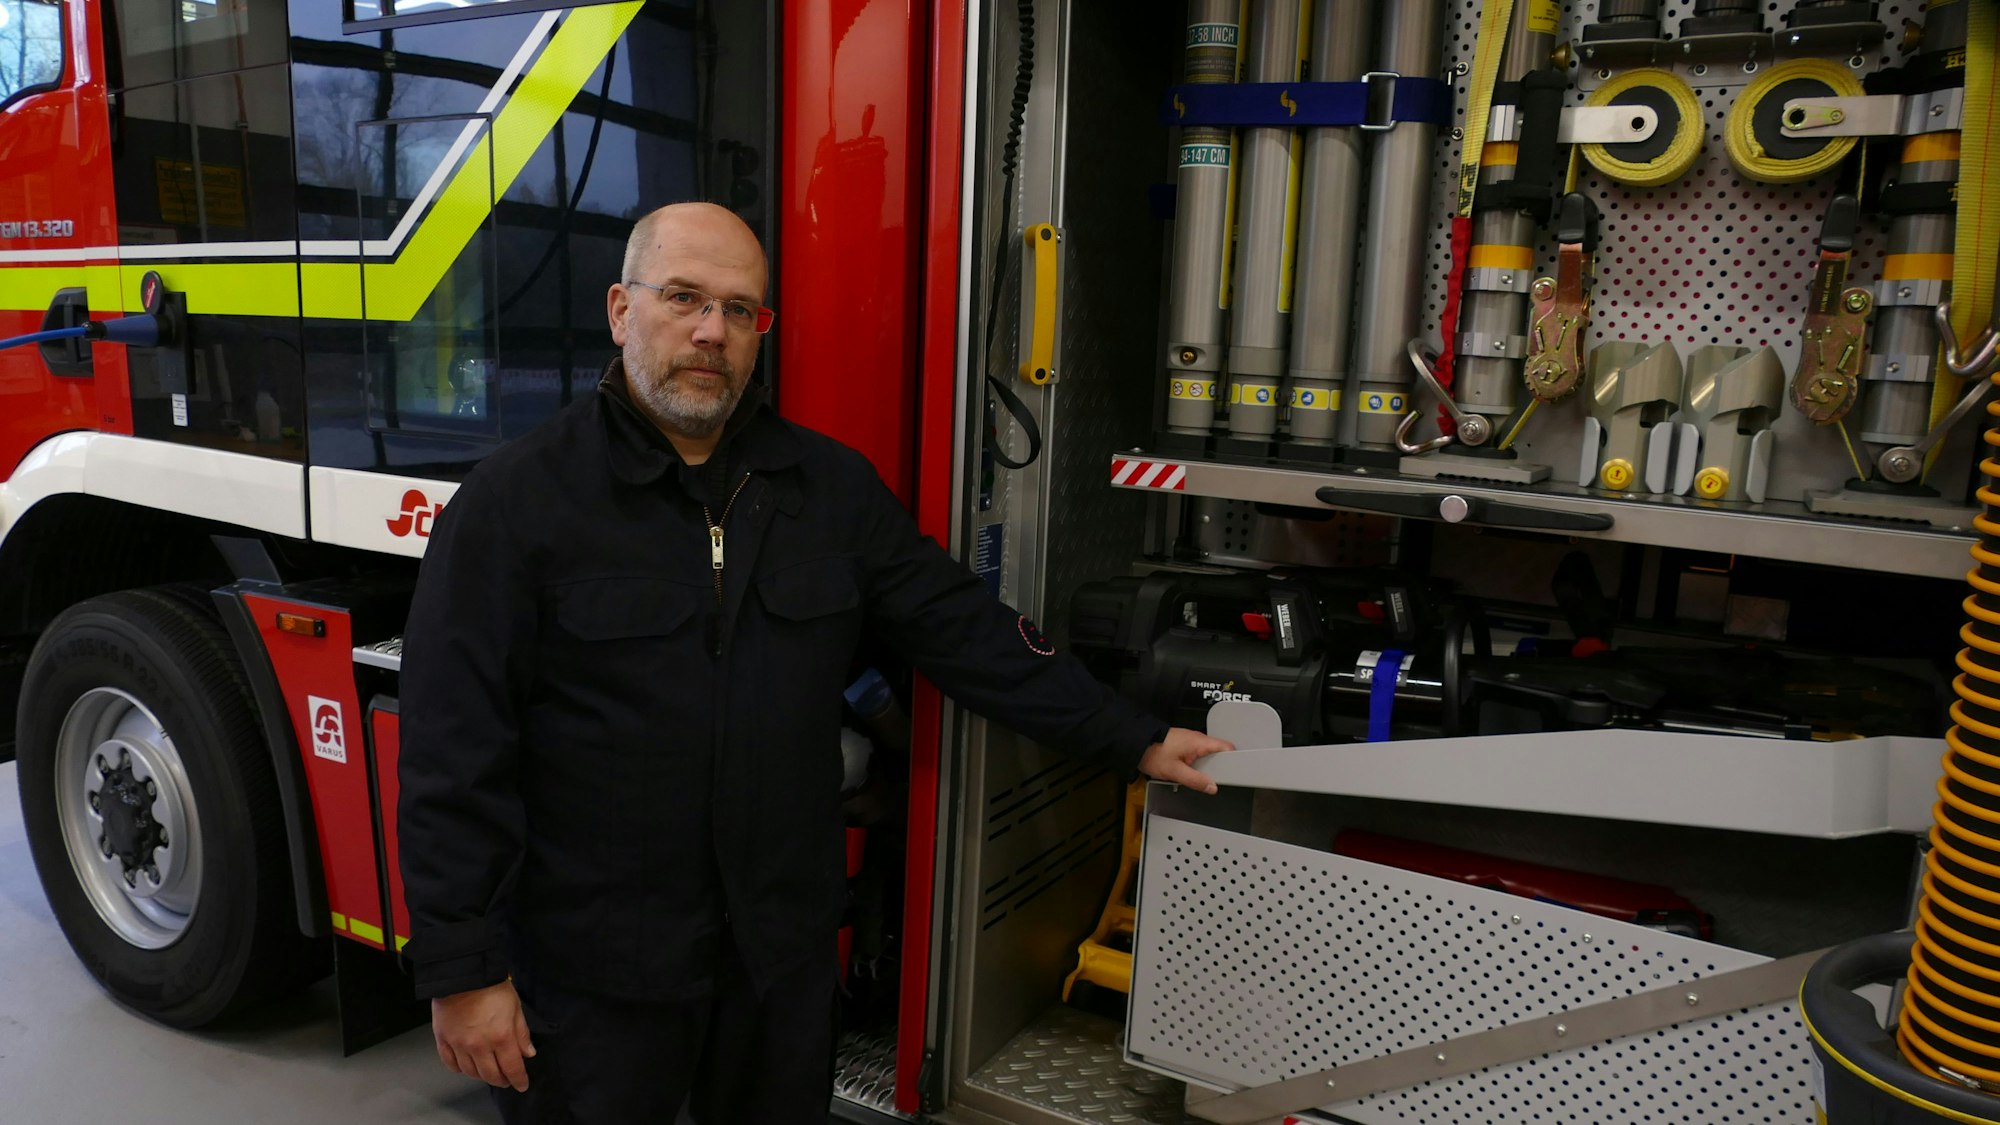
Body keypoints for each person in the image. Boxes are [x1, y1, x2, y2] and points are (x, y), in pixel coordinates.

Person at [397, 202, 1232, 1123]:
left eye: (740, 309)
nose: (712, 330)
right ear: (621, 309)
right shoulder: (516, 505)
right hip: (594, 971)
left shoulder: (828, 491)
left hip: (777, 963)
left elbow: (965, 628)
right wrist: (464, 970)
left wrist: (1135, 737)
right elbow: (452, 751)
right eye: (683, 298)